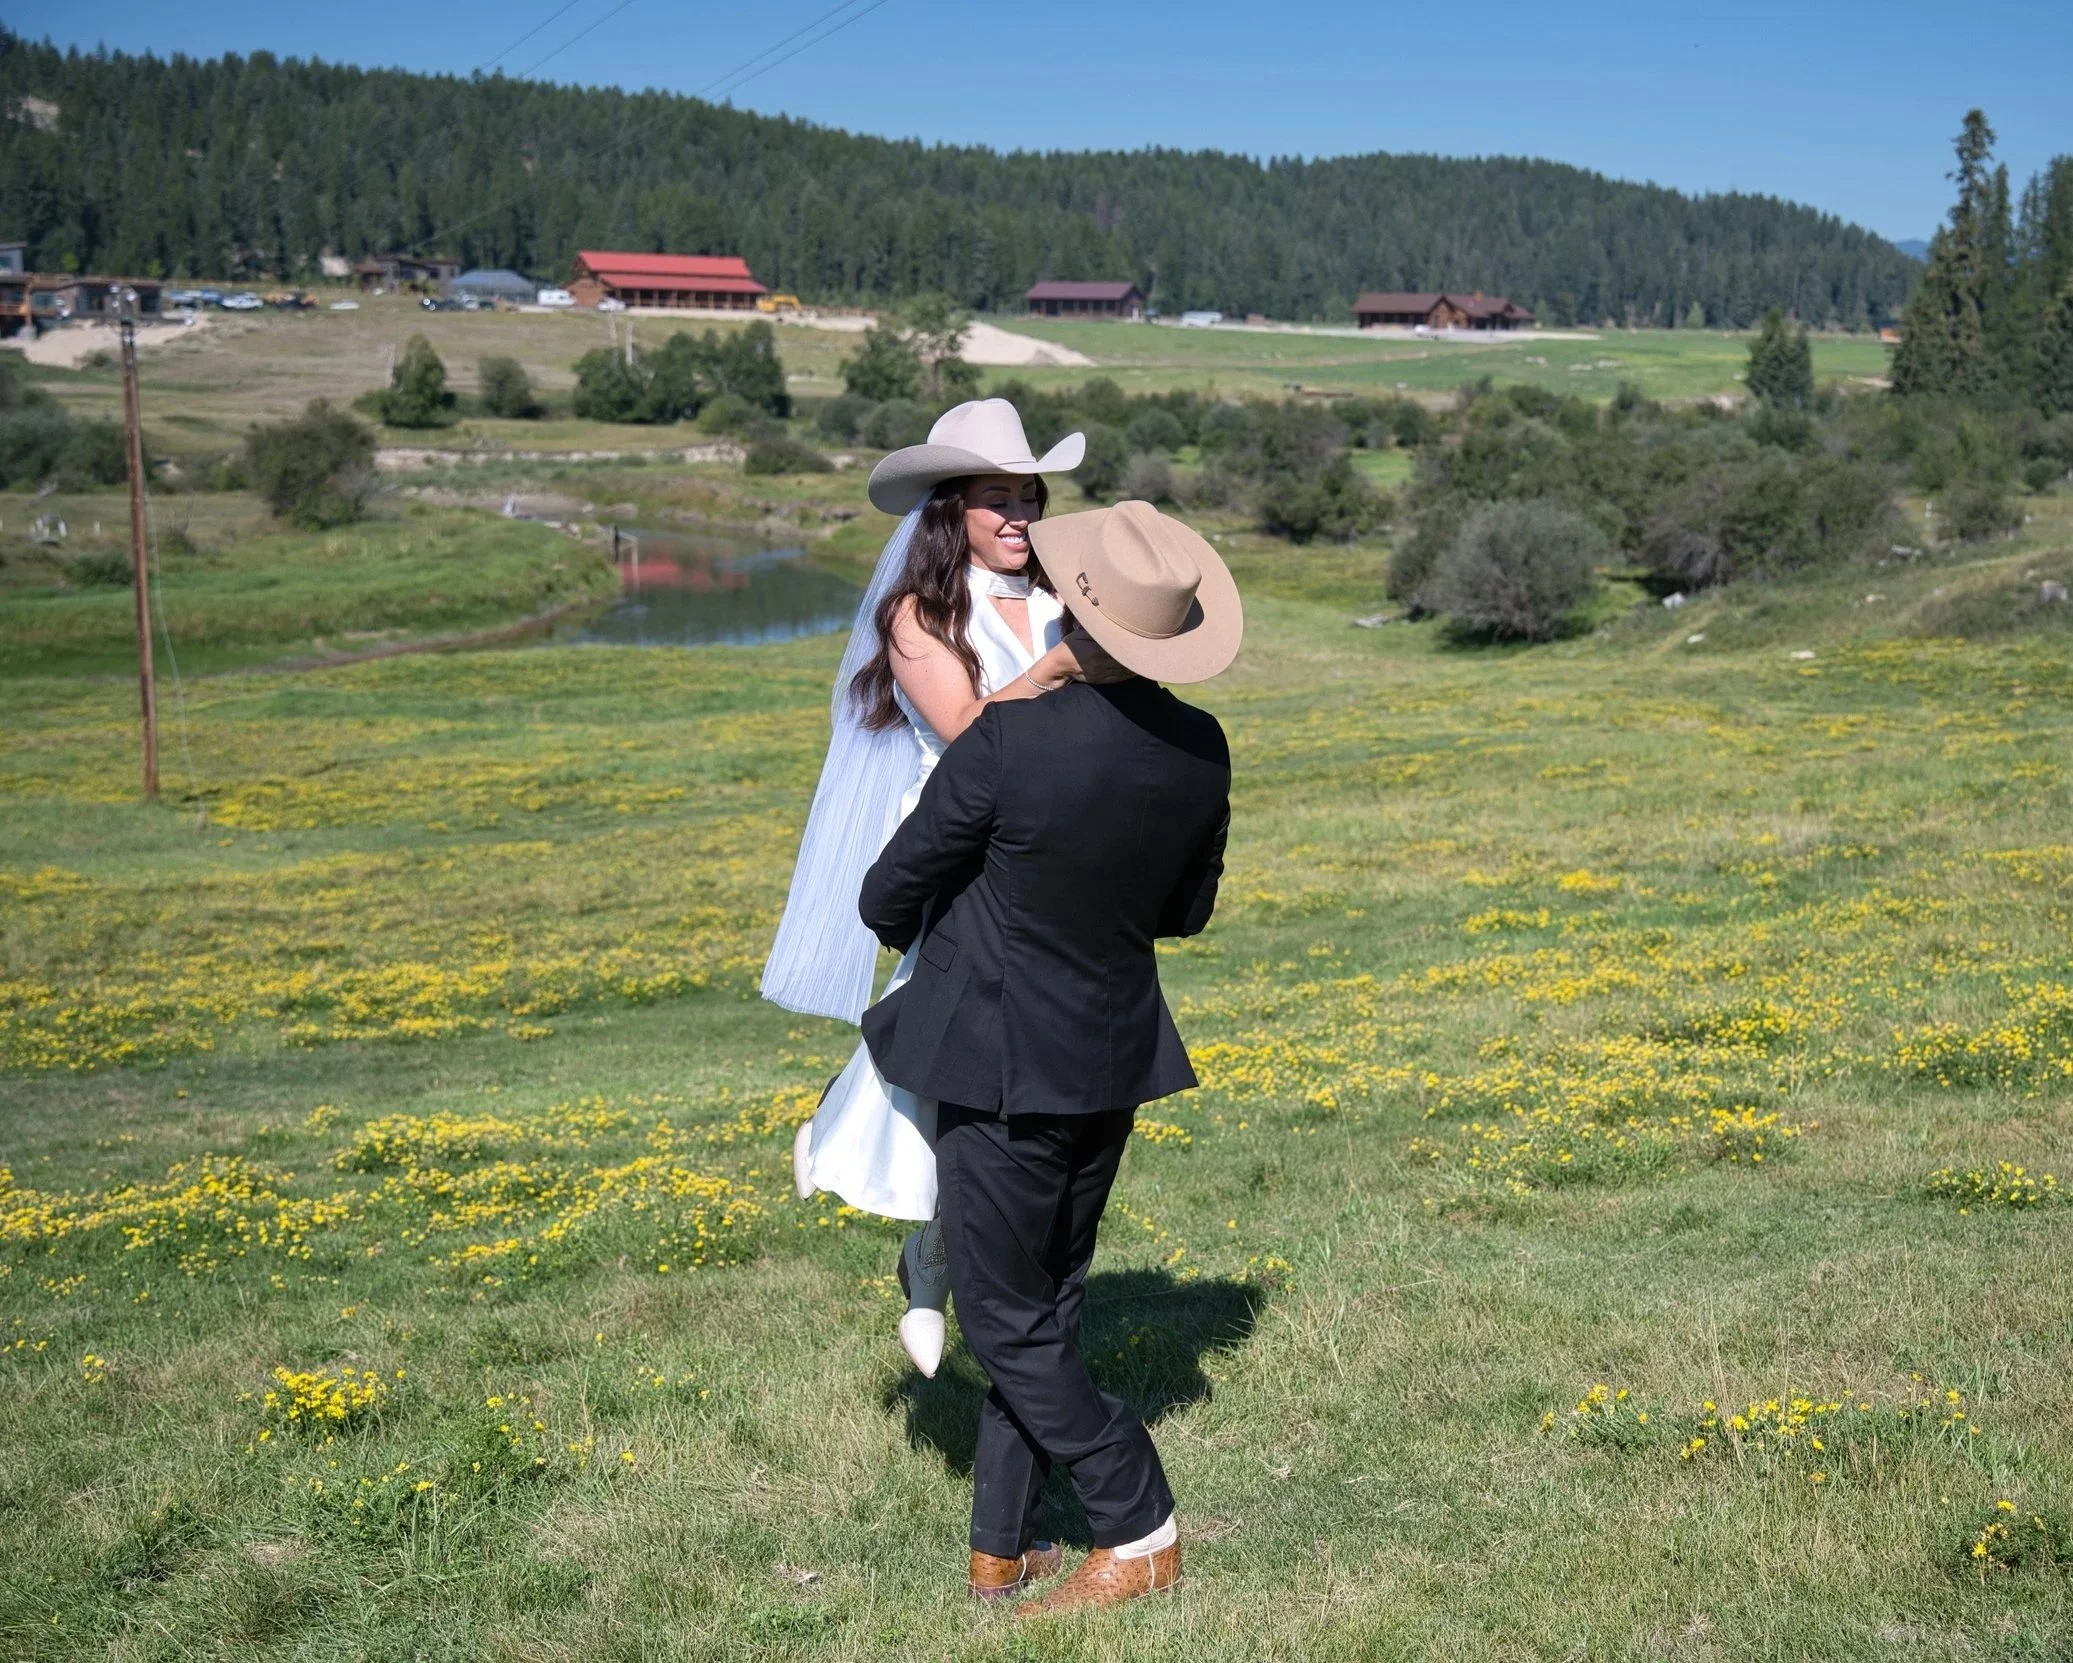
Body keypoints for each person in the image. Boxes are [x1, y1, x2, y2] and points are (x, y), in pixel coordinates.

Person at [858, 499, 1241, 1613]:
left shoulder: (1009, 742)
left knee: (1001, 1312)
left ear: (1077, 605)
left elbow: (887, 895)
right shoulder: (1201, 747)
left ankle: (1137, 1519)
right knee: (1048, 1301)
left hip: (1001, 1061)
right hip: (1113, 1054)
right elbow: (1186, 911)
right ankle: (1003, 1545)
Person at [760, 398, 1127, 1377]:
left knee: (1033, 1073)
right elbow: (970, 731)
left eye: (1029, 497)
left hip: (1059, 859)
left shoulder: (1062, 598)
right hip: (961, 854)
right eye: (997, 499)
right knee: (951, 1044)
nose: (1018, 515)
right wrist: (1060, 667)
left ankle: (962, 1258)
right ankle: (924, 1248)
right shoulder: (918, 616)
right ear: (950, 510)